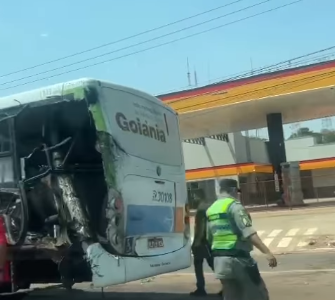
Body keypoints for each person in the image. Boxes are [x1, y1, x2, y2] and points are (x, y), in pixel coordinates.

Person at [206, 179, 277, 300]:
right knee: (259, 293)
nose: (238, 195)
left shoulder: (211, 209)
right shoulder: (234, 206)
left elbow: (209, 238)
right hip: (238, 260)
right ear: (233, 190)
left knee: (231, 296)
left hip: (220, 262)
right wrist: (267, 252)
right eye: (237, 192)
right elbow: (249, 233)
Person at [190, 194, 222, 297]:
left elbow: (201, 227)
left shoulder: (201, 209)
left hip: (202, 242)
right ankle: (227, 285)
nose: (193, 199)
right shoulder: (209, 206)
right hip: (209, 240)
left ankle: (201, 288)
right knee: (210, 263)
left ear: (199, 197)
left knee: (205, 263)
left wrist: (197, 242)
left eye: (195, 197)